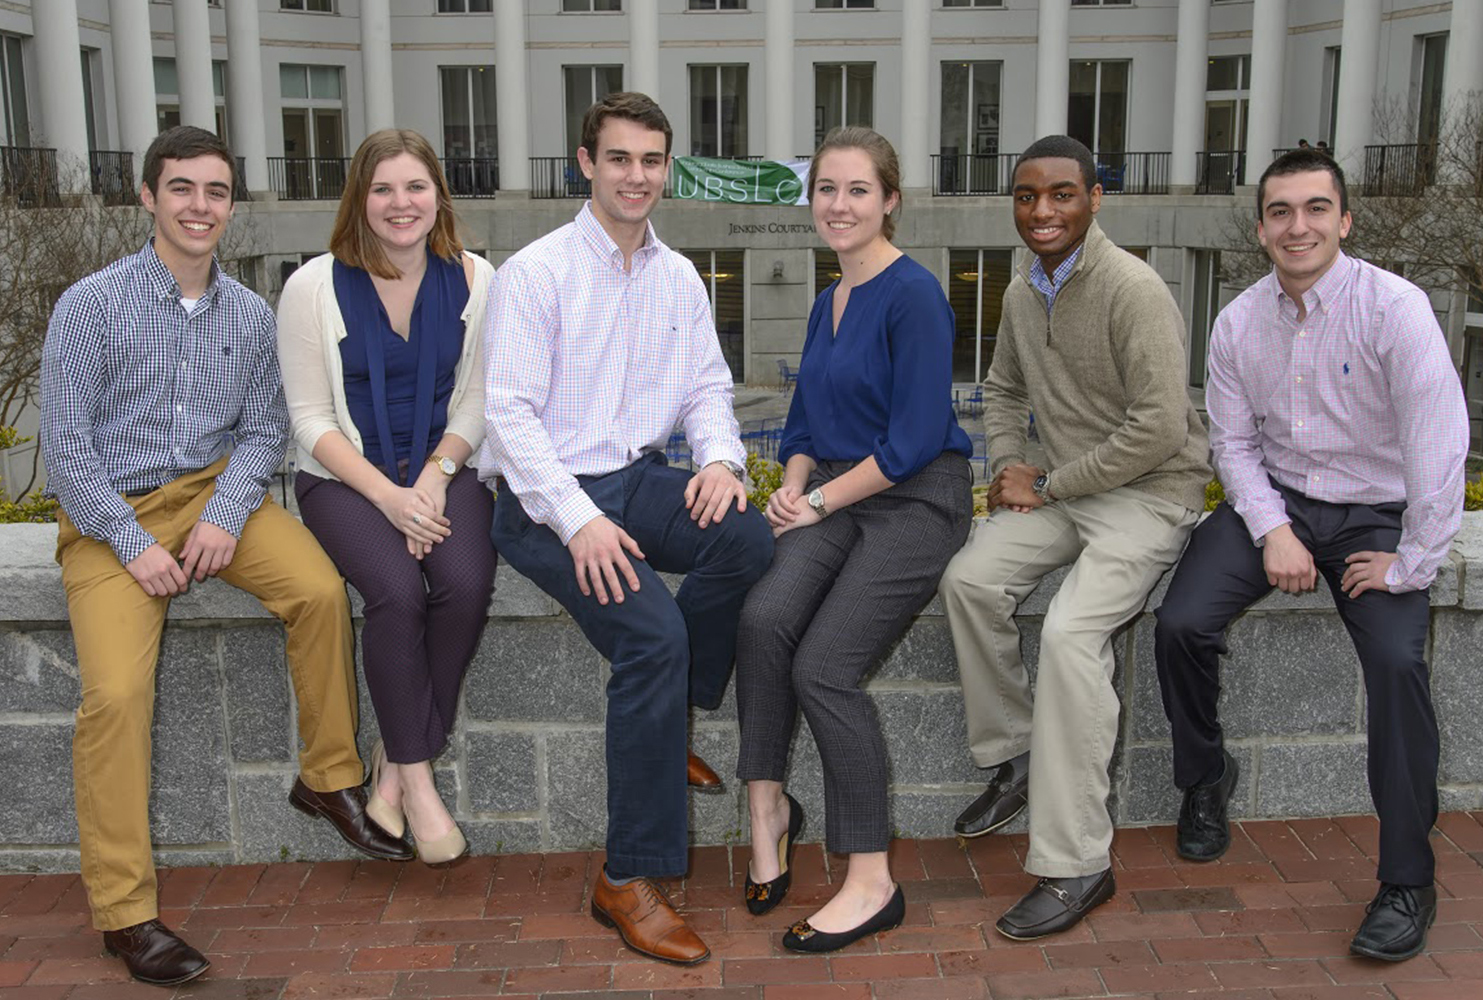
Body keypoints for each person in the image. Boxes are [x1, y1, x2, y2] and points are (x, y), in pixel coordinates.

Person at [38, 126, 411, 988]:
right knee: (117, 697)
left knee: (320, 591)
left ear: (230, 205)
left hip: (214, 497)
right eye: (182, 189)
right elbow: (65, 452)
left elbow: (263, 431)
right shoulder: (89, 305)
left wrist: (224, 514)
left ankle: (328, 777)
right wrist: (132, 544)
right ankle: (126, 915)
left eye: (215, 192)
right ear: (147, 197)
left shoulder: (250, 314)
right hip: (109, 517)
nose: (199, 207)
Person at [481, 92, 774, 966]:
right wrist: (579, 522)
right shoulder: (535, 272)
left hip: (638, 478)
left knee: (748, 540)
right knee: (651, 634)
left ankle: (668, 722)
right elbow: (510, 420)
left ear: (666, 169)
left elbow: (707, 389)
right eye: (619, 159)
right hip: (543, 499)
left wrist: (721, 460)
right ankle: (627, 878)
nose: (636, 177)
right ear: (586, 163)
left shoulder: (678, 276)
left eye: (651, 161)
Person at [1153, 149, 1467, 962]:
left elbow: (1440, 440)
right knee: (1181, 622)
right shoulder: (1237, 321)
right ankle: (1204, 780)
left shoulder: (1394, 308)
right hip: (1280, 501)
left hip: (1375, 515)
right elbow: (1231, 442)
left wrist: (1413, 561)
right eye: (1282, 211)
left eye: (1316, 208)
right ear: (1260, 228)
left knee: (1398, 664)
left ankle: (1407, 879)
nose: (1299, 226)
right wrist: (1272, 529)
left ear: (1344, 220)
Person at [939, 134, 1212, 940]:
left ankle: (1076, 862)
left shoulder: (1134, 288)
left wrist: (1050, 482)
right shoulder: (1025, 290)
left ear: (1096, 199)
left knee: (1068, 635)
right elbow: (1002, 388)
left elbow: (1162, 428)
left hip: (1148, 496)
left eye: (1062, 194)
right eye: (1027, 197)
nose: (1043, 211)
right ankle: (1018, 757)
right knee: (969, 582)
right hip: (1064, 488)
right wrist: (1011, 464)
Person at [734, 127, 975, 954]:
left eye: (858, 190)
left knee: (824, 666)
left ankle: (870, 879)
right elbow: (801, 424)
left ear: (890, 201)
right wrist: (795, 482)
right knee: (764, 619)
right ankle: (767, 806)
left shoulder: (914, 294)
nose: (838, 205)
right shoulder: (825, 299)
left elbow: (911, 440)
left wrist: (819, 501)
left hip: (915, 502)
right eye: (826, 189)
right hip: (836, 493)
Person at [277, 129, 497, 866]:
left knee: (464, 583)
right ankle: (419, 777)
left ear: (438, 194)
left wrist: (430, 482)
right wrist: (388, 498)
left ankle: (393, 765)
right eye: (383, 189)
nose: (401, 204)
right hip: (343, 478)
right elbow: (308, 419)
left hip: (444, 467)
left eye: (415, 187)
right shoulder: (311, 287)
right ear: (359, 200)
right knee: (398, 593)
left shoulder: (475, 278)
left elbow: (479, 400)